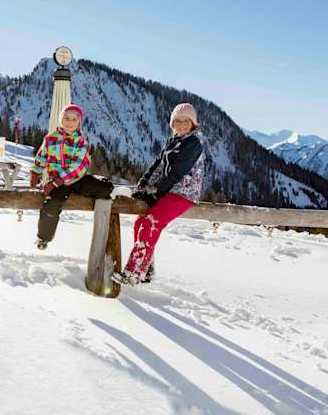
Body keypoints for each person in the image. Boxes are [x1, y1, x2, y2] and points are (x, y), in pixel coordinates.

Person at [115, 102, 205, 285]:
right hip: (169, 191)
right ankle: (146, 270)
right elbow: (158, 165)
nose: (181, 125)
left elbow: (176, 172)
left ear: (193, 123)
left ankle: (134, 272)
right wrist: (143, 184)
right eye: (177, 121)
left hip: (184, 194)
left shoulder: (193, 143)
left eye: (185, 121)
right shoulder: (173, 141)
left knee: (151, 223)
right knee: (140, 221)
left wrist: (157, 193)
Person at [31, 104, 113, 249]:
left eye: (74, 119)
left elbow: (79, 166)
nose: (70, 122)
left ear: (79, 122)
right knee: (51, 204)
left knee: (103, 189)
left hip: (77, 179)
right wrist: (35, 173)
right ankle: (43, 238)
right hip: (59, 183)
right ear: (61, 119)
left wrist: (57, 181)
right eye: (67, 118)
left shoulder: (81, 142)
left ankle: (106, 186)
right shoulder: (50, 139)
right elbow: (42, 157)